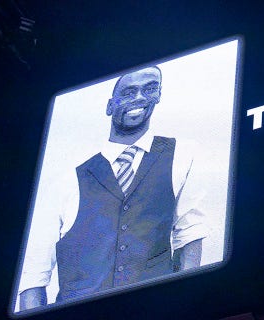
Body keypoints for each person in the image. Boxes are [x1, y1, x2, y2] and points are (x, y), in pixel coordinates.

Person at [18, 66, 208, 310]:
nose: (140, 97)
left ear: (158, 96)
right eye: (129, 92)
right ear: (110, 106)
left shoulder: (183, 155)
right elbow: (33, 277)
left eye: (150, 89)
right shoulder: (66, 181)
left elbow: (190, 236)